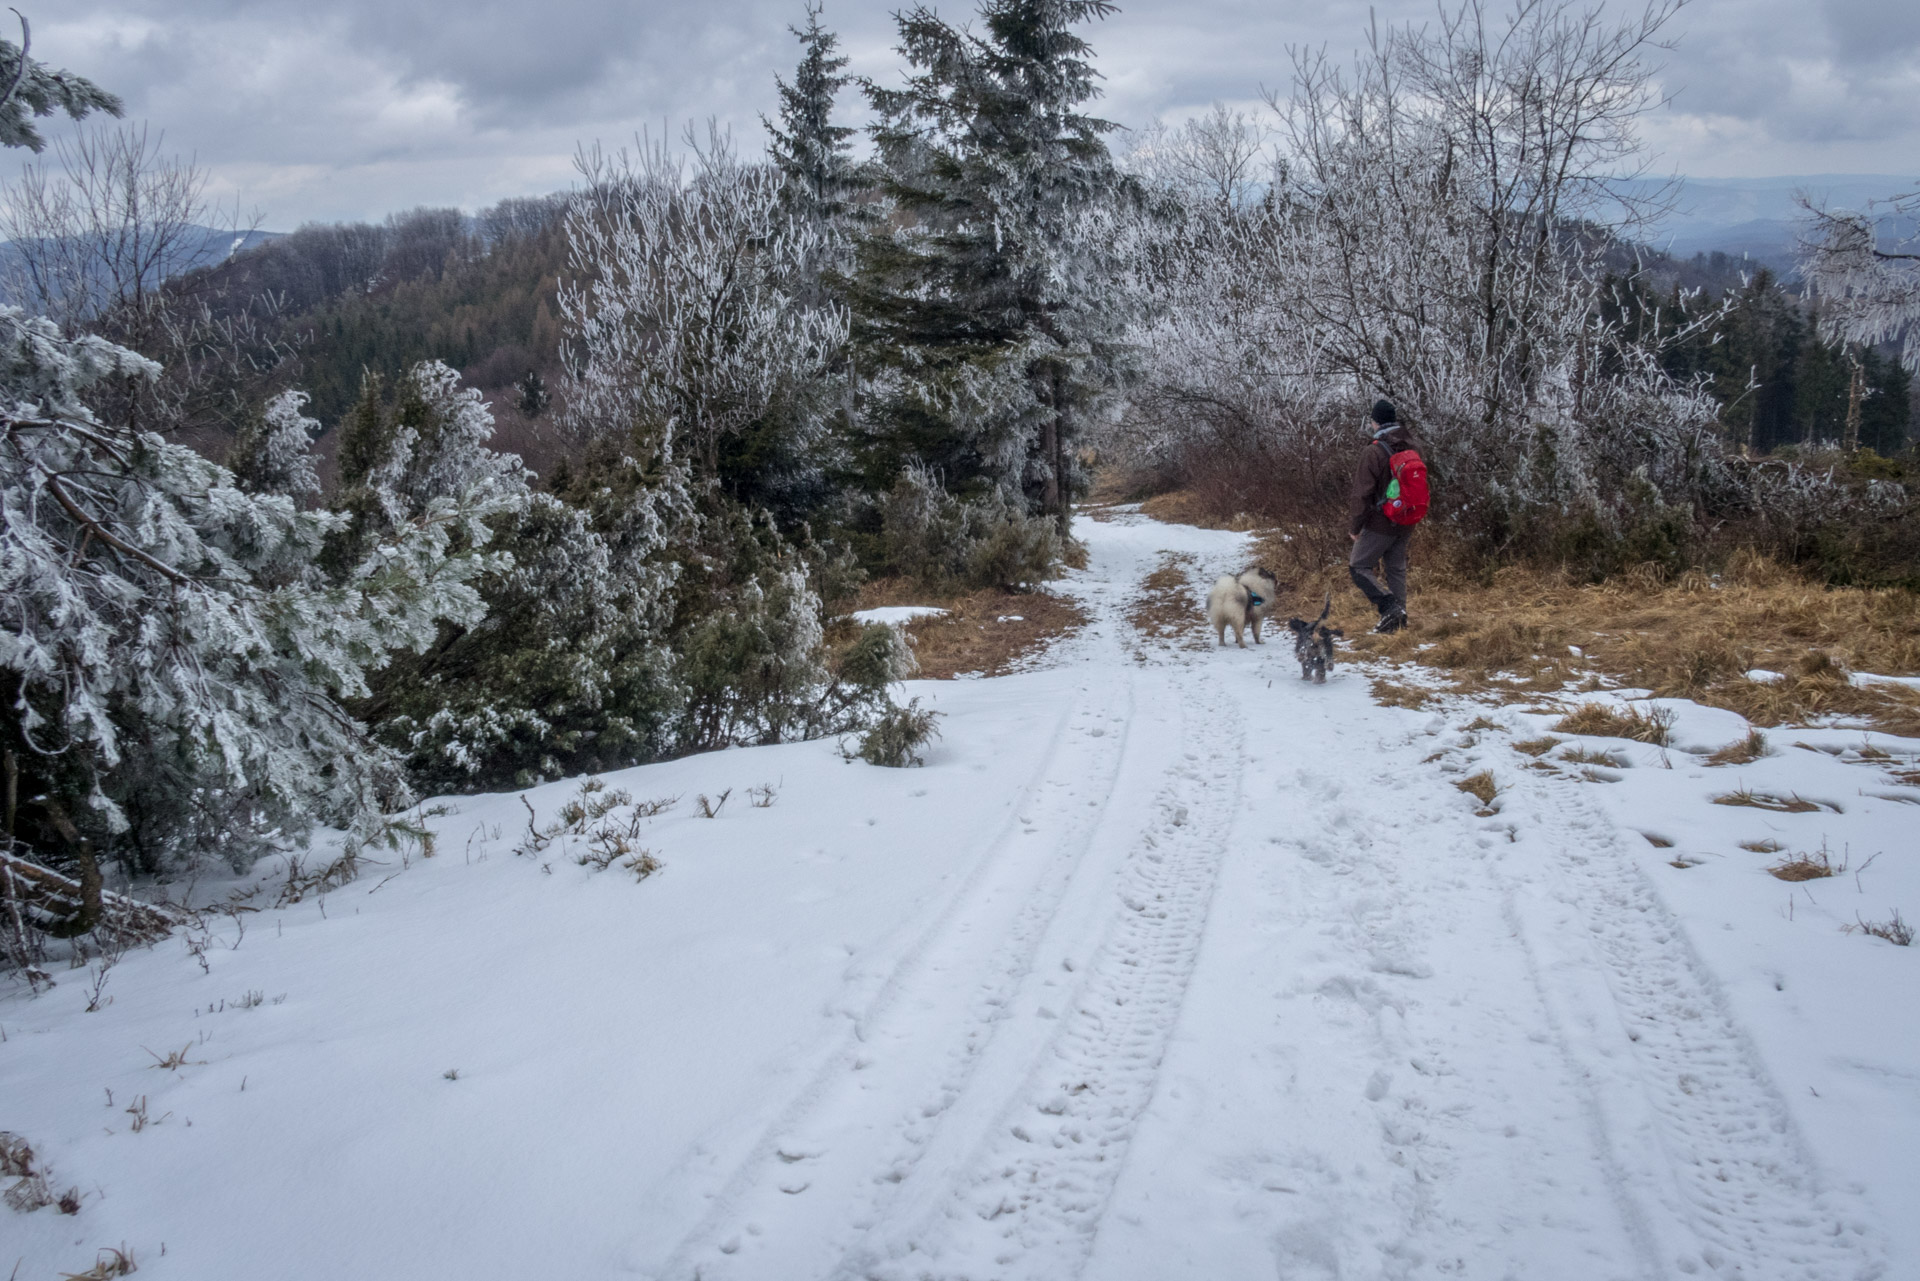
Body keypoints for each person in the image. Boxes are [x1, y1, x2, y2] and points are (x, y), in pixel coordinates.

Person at [1348, 399, 1417, 634]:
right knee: (1396, 568)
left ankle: (1390, 608)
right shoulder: (1412, 446)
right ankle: (1400, 621)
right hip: (1407, 519)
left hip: (1381, 522)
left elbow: (1362, 493)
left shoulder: (1374, 451)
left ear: (1375, 421)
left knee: (1358, 566)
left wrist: (1355, 526)